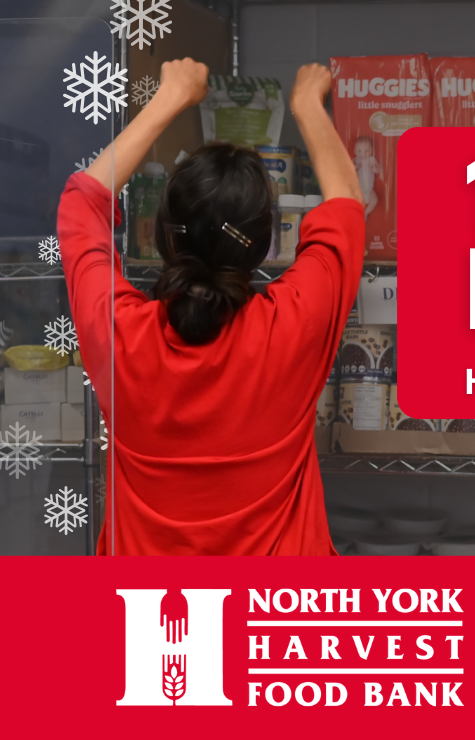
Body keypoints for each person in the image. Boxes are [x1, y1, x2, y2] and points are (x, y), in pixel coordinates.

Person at [59, 59, 364, 555]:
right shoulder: (291, 325)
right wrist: (308, 106)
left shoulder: (121, 336)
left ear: (161, 237)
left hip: (145, 625)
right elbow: (347, 206)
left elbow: (82, 203)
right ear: (264, 242)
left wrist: (170, 96)